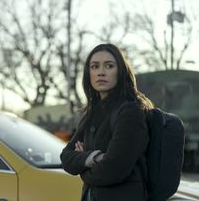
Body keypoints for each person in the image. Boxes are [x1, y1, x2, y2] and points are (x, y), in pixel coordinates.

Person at [60, 43, 154, 201]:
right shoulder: (92, 113)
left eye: (109, 66)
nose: (101, 72)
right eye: (94, 67)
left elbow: (113, 170)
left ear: (121, 71)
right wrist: (94, 158)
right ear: (88, 73)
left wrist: (82, 166)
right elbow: (66, 158)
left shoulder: (131, 111)